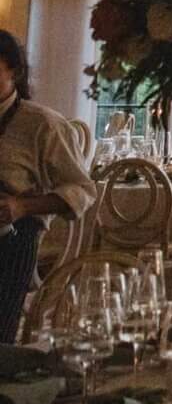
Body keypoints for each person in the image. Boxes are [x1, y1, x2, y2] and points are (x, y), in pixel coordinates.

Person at [0, 30, 97, 342]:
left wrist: (22, 206)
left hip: (11, 244)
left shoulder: (43, 124)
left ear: (13, 70)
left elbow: (82, 190)